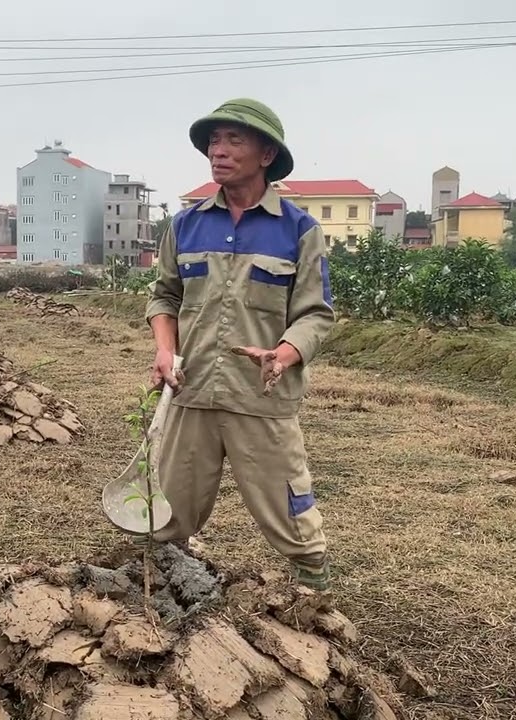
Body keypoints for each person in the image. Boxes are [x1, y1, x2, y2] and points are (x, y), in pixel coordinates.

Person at [144, 98, 335, 590]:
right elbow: (164, 295)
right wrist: (165, 349)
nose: (218, 151)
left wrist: (285, 352)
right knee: (165, 512)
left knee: (293, 522)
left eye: (234, 140)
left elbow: (315, 313)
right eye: (213, 141)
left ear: (266, 153)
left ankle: (314, 600)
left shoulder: (299, 231)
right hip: (191, 391)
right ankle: (155, 599)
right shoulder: (185, 226)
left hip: (262, 396)